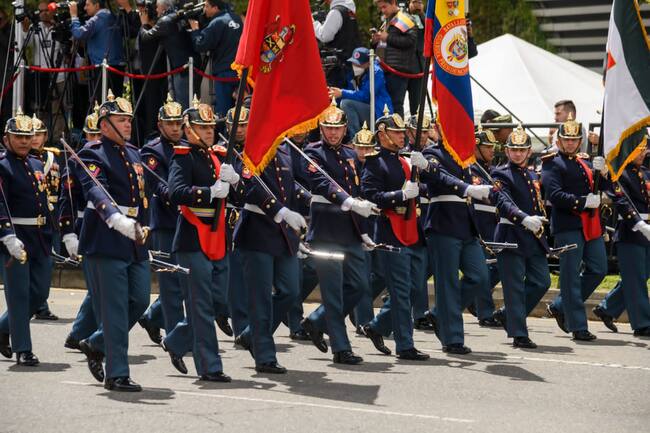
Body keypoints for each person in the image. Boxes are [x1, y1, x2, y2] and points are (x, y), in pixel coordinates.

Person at [76, 90, 151, 391]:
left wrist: (145, 226)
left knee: (141, 299)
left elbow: (144, 197)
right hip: (106, 238)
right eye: (121, 120)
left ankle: (96, 343)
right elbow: (96, 191)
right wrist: (116, 219)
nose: (128, 124)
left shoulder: (133, 153)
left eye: (129, 119)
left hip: (134, 239)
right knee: (115, 308)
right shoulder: (91, 154)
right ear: (104, 125)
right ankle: (117, 373)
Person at [161, 95, 238, 382]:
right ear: (189, 129)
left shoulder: (218, 156)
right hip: (193, 238)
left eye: (211, 128)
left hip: (218, 236)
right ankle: (210, 367)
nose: (209, 132)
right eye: (203, 128)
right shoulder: (183, 156)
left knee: (218, 301)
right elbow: (176, 192)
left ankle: (176, 341)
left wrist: (235, 181)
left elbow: (239, 195)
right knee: (201, 305)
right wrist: (209, 192)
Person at [300, 101, 377, 365]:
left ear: (345, 129)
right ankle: (341, 348)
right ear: (321, 128)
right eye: (328, 128)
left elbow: (358, 190)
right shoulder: (312, 152)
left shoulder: (350, 153)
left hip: (350, 231)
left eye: (337, 128)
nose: (333, 133)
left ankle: (317, 320)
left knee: (359, 286)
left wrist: (364, 231)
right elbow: (321, 183)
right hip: (326, 231)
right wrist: (349, 202)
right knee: (333, 292)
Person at [410, 132, 493, 355]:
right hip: (444, 223)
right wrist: (466, 188)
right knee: (447, 284)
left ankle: (440, 314)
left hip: (466, 224)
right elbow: (438, 175)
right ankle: (452, 338)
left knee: (479, 277)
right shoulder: (432, 153)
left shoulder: (464, 155)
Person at [233, 136, 310, 374]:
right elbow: (249, 188)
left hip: (283, 234)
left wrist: (309, 202)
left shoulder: (285, 152)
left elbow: (289, 186)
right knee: (261, 299)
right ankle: (265, 356)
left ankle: (251, 335)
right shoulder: (250, 151)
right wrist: (281, 211)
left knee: (290, 291)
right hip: (257, 231)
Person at [360, 111, 429, 360]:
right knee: (400, 291)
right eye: (396, 133)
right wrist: (400, 195)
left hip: (411, 229)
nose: (402, 136)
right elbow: (370, 194)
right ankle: (405, 345)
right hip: (390, 230)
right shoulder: (375, 162)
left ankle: (377, 326)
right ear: (382, 135)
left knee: (414, 288)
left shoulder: (406, 160)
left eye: (402, 132)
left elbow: (421, 187)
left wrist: (423, 177)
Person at [542, 115, 610, 341]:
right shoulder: (552, 162)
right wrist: (582, 202)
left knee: (599, 268)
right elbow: (554, 195)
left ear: (580, 141)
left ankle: (561, 305)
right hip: (568, 224)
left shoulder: (585, 161)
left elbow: (604, 186)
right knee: (570, 276)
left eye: (574, 140)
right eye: (566, 140)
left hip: (591, 224)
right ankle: (577, 326)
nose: (570, 144)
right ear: (559, 141)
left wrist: (604, 172)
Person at [0, 109, 54, 367]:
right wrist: (7, 235)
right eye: (18, 136)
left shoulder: (36, 163)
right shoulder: (2, 166)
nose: (23, 141)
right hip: (15, 238)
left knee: (40, 291)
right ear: (6, 139)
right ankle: (23, 349)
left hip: (40, 237)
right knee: (19, 295)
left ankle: (3, 327)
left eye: (27, 136)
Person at [491, 125, 551, 348]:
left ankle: (508, 314)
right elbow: (503, 201)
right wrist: (523, 217)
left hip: (533, 236)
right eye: (513, 150)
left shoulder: (532, 174)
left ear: (528, 152)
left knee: (542, 281)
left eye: (521, 150)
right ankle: (519, 334)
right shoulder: (500, 174)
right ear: (507, 151)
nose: (517, 154)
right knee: (514, 287)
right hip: (511, 234)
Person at [137, 94, 186, 342]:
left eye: (179, 123)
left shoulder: (188, 146)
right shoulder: (151, 150)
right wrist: (188, 196)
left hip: (188, 221)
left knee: (185, 278)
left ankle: (152, 316)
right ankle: (176, 335)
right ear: (160, 125)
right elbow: (159, 184)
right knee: (170, 282)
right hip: (166, 221)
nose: (175, 128)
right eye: (170, 124)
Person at [61, 109, 102, 351]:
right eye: (92, 135)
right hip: (84, 226)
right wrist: (69, 234)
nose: (96, 139)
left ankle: (78, 333)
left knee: (99, 286)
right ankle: (89, 336)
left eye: (99, 135)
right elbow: (66, 200)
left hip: (109, 226)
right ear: (85, 135)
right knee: (98, 286)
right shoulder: (76, 161)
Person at [602, 144, 650, 337]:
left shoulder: (645, 172)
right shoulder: (619, 173)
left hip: (647, 232)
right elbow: (621, 201)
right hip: (631, 232)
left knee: (640, 275)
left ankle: (607, 308)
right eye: (637, 149)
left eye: (644, 149)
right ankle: (642, 323)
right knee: (636, 280)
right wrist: (639, 224)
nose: (642, 153)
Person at [466, 126, 502, 327]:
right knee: (485, 269)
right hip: (479, 224)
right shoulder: (470, 170)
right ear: (476, 148)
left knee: (496, 267)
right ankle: (485, 313)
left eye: (492, 146)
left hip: (492, 225)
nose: (491, 150)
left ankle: (474, 300)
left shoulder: (489, 169)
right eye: (487, 147)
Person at [139, 0, 200, 109]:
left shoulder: (165, 21)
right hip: (191, 64)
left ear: (164, 7)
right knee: (191, 102)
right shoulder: (179, 16)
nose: (156, 10)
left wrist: (144, 23)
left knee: (183, 105)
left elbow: (146, 37)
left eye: (157, 7)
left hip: (182, 69)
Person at [29, 116, 60, 321]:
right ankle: (37, 304)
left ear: (45, 136)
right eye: (31, 134)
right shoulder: (20, 159)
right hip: (31, 216)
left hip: (51, 216)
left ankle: (40, 303)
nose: (35, 138)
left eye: (39, 134)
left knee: (47, 263)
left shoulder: (52, 157)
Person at [188, 0, 242, 117]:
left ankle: (223, 128)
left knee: (223, 111)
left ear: (215, 8)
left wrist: (195, 30)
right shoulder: (237, 18)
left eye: (207, 6)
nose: (204, 10)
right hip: (239, 72)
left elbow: (200, 45)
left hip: (223, 73)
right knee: (239, 111)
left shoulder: (217, 22)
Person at [328, 47, 393, 137]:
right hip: (365, 109)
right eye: (354, 63)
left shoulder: (376, 72)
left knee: (347, 104)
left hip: (378, 113)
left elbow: (366, 96)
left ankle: (357, 138)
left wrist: (342, 93)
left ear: (368, 63)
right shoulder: (353, 74)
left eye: (358, 64)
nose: (355, 66)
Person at [371, 0, 418, 118]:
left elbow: (411, 41)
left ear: (393, 2)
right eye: (380, 8)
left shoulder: (405, 19)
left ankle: (398, 128)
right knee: (387, 104)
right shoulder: (387, 20)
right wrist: (375, 41)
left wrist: (387, 38)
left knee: (396, 104)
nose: (382, 10)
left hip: (398, 70)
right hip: (386, 68)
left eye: (384, 7)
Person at [70, 0, 126, 97]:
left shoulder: (98, 19)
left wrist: (74, 17)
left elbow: (78, 33)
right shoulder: (113, 16)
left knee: (103, 100)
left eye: (88, 5)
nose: (85, 8)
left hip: (104, 68)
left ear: (97, 5)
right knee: (116, 99)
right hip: (117, 66)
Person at [313, 0, 362, 88]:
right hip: (351, 61)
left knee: (338, 94)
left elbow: (325, 36)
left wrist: (313, 23)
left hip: (339, 66)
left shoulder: (336, 12)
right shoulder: (348, 10)